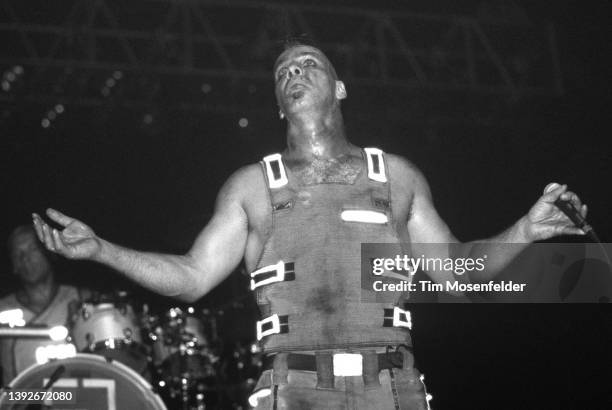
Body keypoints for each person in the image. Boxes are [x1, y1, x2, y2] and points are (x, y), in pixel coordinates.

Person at [32, 40, 587, 409]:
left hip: (389, 388)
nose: (294, 73)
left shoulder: (396, 176)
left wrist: (527, 231)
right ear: (277, 104)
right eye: (283, 73)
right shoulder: (251, 186)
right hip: (292, 388)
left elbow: (457, 273)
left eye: (308, 64)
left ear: (340, 88)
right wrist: (102, 249)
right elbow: (194, 275)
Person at [0, 225, 82, 386]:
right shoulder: (3, 309)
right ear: (14, 266)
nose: (25, 258)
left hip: (76, 399)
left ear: (48, 253)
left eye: (32, 249)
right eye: (18, 254)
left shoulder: (79, 298)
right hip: (21, 400)